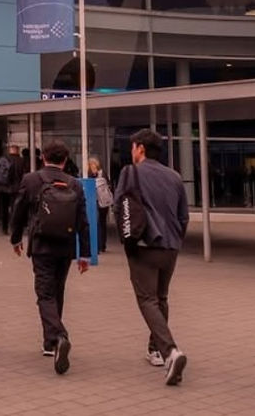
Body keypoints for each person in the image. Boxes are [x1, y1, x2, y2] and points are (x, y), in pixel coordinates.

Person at [112, 129, 189, 386]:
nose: (131, 152)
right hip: (171, 246)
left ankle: (170, 351)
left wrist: (127, 240)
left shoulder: (129, 172)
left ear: (140, 148)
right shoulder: (175, 177)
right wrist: (176, 239)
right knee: (161, 297)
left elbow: (118, 206)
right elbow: (183, 216)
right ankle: (155, 350)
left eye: (133, 147)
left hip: (144, 245)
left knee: (147, 299)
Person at [9, 138, 90, 375]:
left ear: (43, 157)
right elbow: (82, 222)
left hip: (42, 245)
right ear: (65, 160)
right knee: (58, 290)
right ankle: (50, 343)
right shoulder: (74, 184)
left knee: (45, 294)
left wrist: (15, 238)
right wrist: (84, 253)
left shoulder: (32, 180)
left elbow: (18, 211)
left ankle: (58, 336)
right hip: (65, 246)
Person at [0, 144, 26, 235]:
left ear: (9, 150)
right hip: (16, 188)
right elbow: (23, 175)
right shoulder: (21, 161)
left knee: (4, 208)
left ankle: (4, 228)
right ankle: (14, 227)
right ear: (17, 151)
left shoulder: (3, 160)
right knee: (15, 208)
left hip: (3, 188)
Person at [87, 155, 112, 253]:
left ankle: (100, 245)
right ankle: (101, 245)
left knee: (99, 223)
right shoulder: (103, 173)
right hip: (102, 201)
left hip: (99, 201)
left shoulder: (95, 174)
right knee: (100, 223)